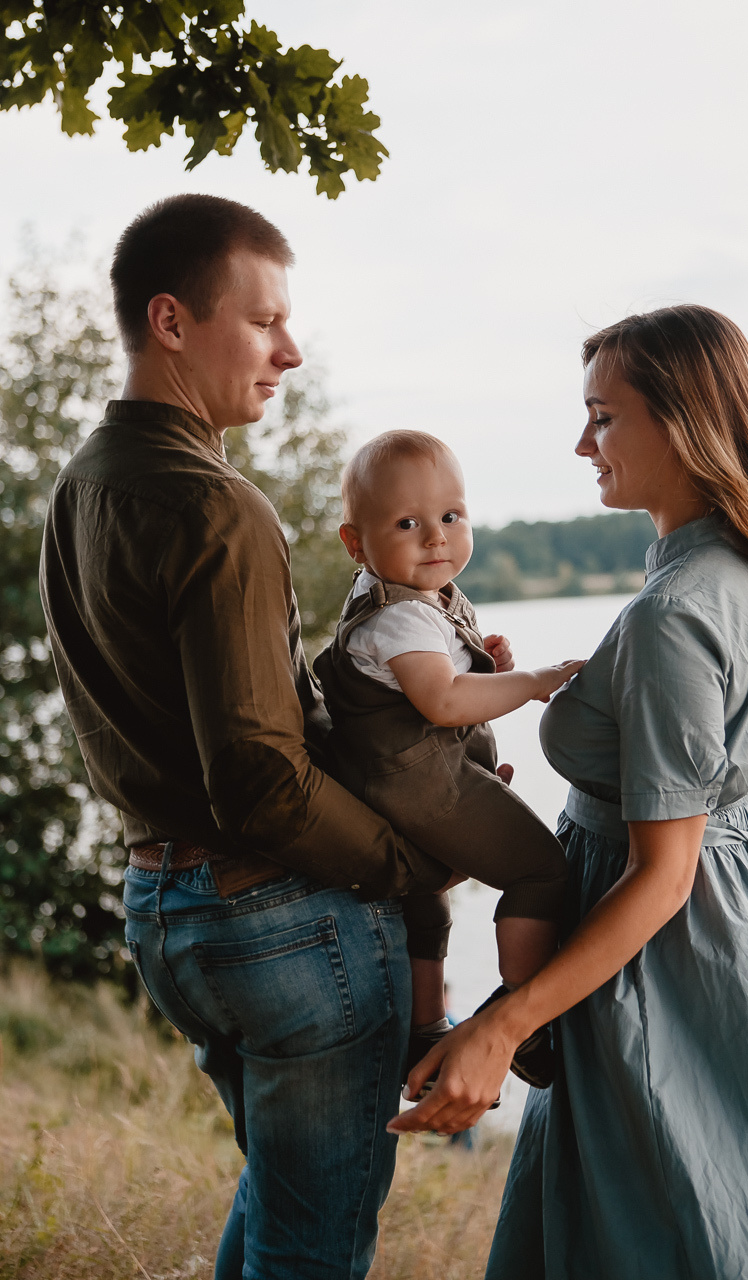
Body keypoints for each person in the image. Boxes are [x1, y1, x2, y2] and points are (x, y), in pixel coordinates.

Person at [388, 304, 748, 1279]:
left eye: (602, 417)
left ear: (681, 422)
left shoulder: (675, 610)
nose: (579, 443)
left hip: (653, 967)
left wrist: (504, 1020)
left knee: (658, 1232)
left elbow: (664, 873)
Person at [39, 193, 454, 1280]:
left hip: (165, 917)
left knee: (281, 1208)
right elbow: (261, 779)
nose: (292, 351)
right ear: (171, 321)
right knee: (311, 1244)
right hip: (282, 922)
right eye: (264, 321)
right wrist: (406, 863)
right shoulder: (219, 503)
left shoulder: (80, 484)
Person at [314, 430, 582, 1089]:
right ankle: (522, 1013)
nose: (435, 538)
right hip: (421, 786)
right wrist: (533, 682)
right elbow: (440, 700)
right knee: (542, 871)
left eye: (450, 517)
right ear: (356, 543)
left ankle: (425, 1025)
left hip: (391, 782)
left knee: (423, 905)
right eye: (407, 523)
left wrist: (485, 662)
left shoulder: (407, 599)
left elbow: (443, 678)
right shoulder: (399, 618)